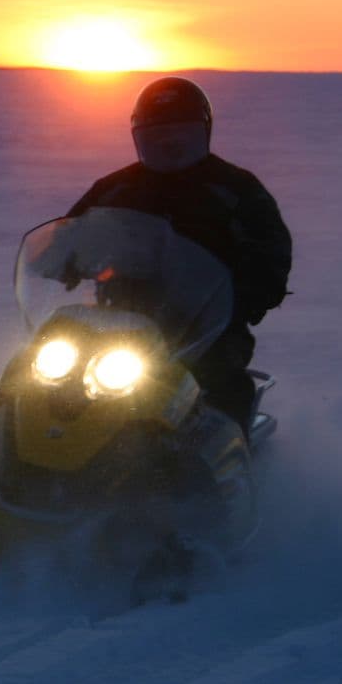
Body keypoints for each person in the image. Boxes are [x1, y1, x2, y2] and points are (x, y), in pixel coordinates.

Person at [64, 76, 292, 429]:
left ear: (203, 133)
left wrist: (257, 288)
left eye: (180, 134)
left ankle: (229, 469)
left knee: (220, 388)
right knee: (36, 374)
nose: (169, 143)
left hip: (207, 326)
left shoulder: (235, 188)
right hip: (119, 319)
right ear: (139, 137)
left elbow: (273, 246)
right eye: (157, 136)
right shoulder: (114, 189)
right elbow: (70, 232)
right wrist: (60, 257)